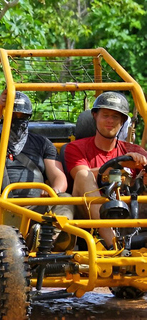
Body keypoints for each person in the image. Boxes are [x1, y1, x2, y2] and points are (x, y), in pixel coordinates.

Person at [0, 90, 74, 250]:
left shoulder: (42, 143)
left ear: (28, 117)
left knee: (65, 198)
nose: (16, 119)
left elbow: (58, 176)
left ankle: (47, 241)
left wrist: (54, 191)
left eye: (21, 116)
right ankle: (7, 245)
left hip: (32, 206)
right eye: (11, 114)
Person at [64, 91, 147, 248]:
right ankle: (114, 246)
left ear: (122, 121)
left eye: (115, 117)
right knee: (84, 175)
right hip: (87, 213)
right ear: (95, 116)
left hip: (128, 211)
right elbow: (79, 175)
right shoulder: (75, 148)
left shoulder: (133, 150)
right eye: (105, 115)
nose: (110, 121)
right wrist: (119, 165)